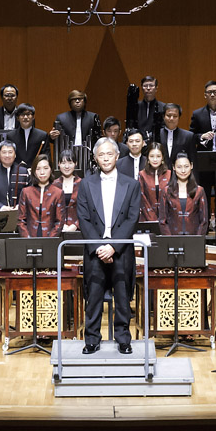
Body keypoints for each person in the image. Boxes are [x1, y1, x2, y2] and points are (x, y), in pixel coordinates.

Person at [77, 137, 141, 355]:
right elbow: (83, 219)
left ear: (117, 156)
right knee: (93, 296)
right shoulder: (86, 183)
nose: (105, 158)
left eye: (109, 154)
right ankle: (92, 339)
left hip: (120, 249)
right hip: (95, 250)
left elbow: (132, 219)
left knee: (123, 296)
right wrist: (99, 247)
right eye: (101, 154)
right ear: (96, 158)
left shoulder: (132, 184)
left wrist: (113, 247)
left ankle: (123, 339)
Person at [189, 80, 216, 232]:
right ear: (205, 95)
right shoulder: (197, 114)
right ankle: (203, 223)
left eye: (215, 92)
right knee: (203, 191)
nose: (212, 94)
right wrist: (201, 136)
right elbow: (191, 135)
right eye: (209, 92)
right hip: (204, 159)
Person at [159, 152, 208, 235]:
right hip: (173, 241)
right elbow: (162, 221)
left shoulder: (199, 190)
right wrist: (170, 240)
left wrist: (198, 240)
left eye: (186, 166)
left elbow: (204, 221)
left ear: (191, 166)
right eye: (179, 167)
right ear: (173, 167)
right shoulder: (167, 191)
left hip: (194, 240)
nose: (183, 171)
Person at [18, 155, 64, 237]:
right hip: (29, 238)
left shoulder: (58, 193)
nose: (42, 172)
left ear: (51, 170)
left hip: (51, 239)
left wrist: (50, 240)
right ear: (34, 171)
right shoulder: (26, 192)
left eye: (45, 168)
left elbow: (59, 222)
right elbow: (21, 220)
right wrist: (27, 238)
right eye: (38, 169)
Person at [0, 141, 29, 212]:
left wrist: (20, 206)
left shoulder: (24, 172)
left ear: (15, 154)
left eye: (10, 152)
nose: (7, 155)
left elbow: (30, 193)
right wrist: (1, 207)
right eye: (4, 152)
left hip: (20, 214)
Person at [139, 142, 171, 222]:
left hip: (167, 219)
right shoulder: (142, 174)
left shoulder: (169, 174)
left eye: (158, 156)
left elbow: (172, 198)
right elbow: (142, 199)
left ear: (162, 158)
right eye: (152, 156)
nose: (155, 159)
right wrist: (153, 219)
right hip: (147, 218)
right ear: (148, 158)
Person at [160, 103, 197, 171]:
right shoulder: (156, 135)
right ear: (163, 116)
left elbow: (193, 161)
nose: (171, 119)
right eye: (168, 115)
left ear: (179, 117)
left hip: (181, 176)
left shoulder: (188, 136)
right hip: (160, 176)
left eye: (175, 116)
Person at [53, 149, 81, 231]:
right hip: (57, 230)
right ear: (58, 164)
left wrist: (75, 225)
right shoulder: (54, 185)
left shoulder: (82, 184)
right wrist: (60, 224)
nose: (67, 166)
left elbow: (86, 210)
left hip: (78, 230)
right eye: (63, 163)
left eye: (70, 163)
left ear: (76, 164)